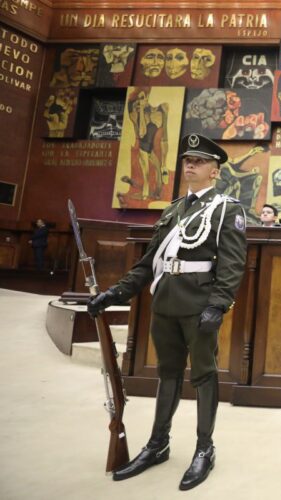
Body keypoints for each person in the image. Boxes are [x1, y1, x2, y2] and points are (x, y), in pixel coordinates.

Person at [87, 133, 247, 491]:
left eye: (199, 161)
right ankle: (158, 444)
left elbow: (233, 265)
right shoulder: (173, 209)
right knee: (168, 373)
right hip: (165, 303)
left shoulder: (227, 209)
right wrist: (115, 293)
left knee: (204, 376)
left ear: (215, 171)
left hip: (199, 306)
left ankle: (205, 449)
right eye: (187, 160)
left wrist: (218, 305)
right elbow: (149, 262)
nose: (190, 165)